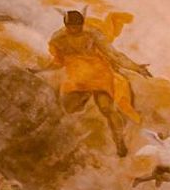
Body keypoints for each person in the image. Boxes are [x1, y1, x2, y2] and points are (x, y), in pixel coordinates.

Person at [44, 9, 151, 156]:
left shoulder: (92, 34)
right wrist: (40, 70)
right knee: (69, 107)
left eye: (79, 26)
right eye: (72, 26)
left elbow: (114, 55)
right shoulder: (58, 39)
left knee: (107, 108)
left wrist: (136, 68)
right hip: (78, 77)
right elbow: (57, 61)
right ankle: (85, 96)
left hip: (99, 74)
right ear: (66, 25)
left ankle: (119, 141)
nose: (76, 29)